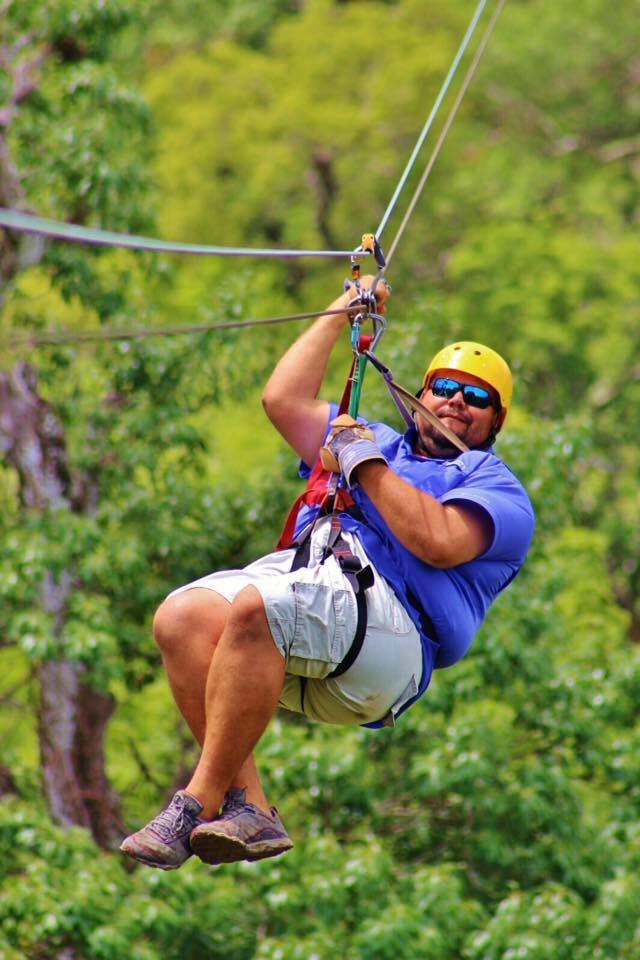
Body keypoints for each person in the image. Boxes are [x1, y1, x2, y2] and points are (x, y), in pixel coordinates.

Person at [120, 276, 534, 870]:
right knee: (182, 617)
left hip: (391, 640)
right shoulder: (378, 441)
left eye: (476, 398)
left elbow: (436, 541)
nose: (455, 402)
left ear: (495, 422)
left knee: (259, 608)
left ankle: (193, 803)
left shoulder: (496, 489)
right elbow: (282, 401)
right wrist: (343, 311)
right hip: (312, 593)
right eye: (444, 386)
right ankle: (249, 808)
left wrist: (362, 463)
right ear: (421, 393)